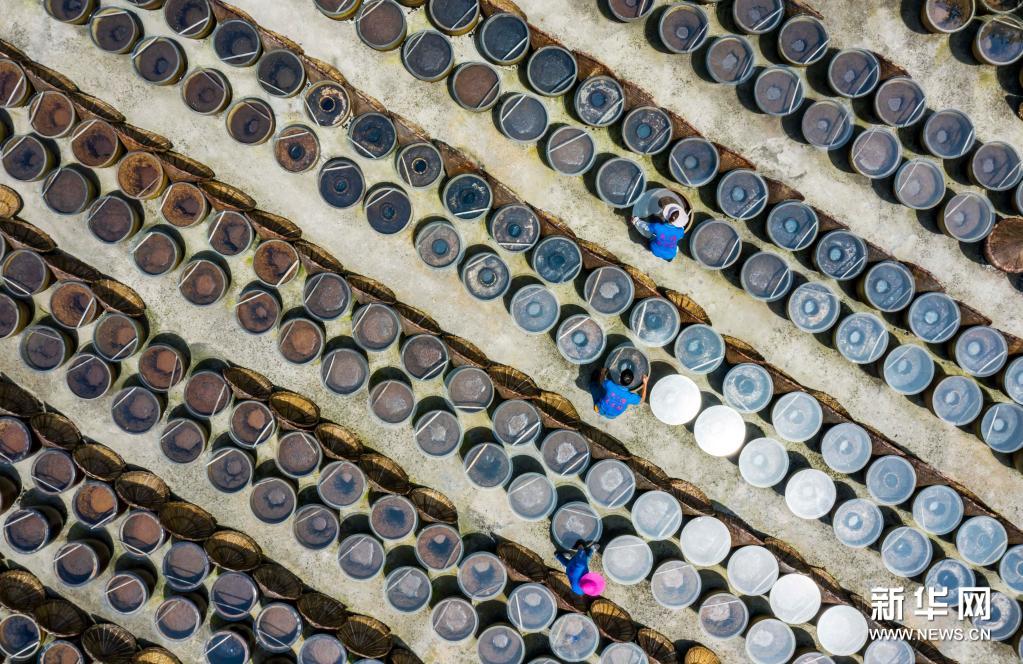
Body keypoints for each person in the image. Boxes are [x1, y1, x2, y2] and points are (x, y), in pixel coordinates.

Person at [630, 197, 692, 261]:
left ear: (667, 215)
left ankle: (653, 246)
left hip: (655, 250)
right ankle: (668, 259)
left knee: (653, 236)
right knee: (676, 247)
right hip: (670, 254)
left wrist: (636, 221)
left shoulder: (657, 226)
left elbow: (645, 226)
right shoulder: (680, 231)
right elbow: (680, 236)